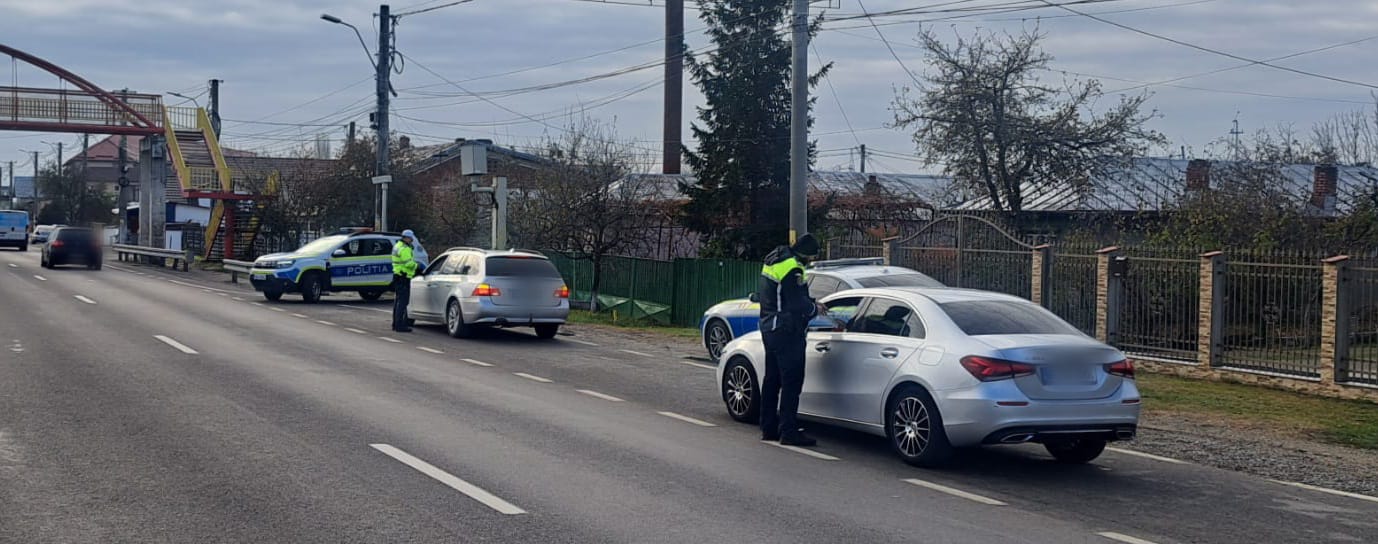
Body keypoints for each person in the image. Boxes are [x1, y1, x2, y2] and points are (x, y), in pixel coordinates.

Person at [757, 232, 825, 447]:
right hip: (787, 330)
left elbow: (783, 296)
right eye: (811, 257)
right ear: (806, 254)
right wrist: (815, 308)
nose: (810, 262)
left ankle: (768, 427)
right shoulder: (793, 268)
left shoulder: (776, 259)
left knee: (772, 380)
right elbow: (796, 303)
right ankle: (789, 431)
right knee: (791, 382)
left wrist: (809, 302)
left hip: (769, 327)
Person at [391, 229, 420, 332]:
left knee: (398, 302)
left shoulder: (397, 246)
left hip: (398, 276)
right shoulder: (404, 249)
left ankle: (395, 324)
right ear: (406, 238)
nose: (411, 240)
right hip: (403, 277)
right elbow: (408, 263)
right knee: (403, 302)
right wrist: (417, 266)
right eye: (411, 238)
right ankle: (399, 325)